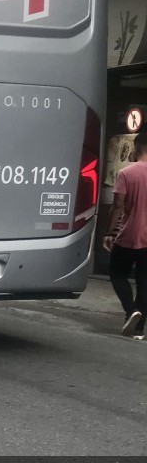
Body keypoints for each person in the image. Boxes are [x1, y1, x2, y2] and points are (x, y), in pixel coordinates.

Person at [103, 130, 147, 340]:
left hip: (129, 235)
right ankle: (138, 330)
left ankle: (131, 312)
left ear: (136, 148)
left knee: (117, 274)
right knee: (145, 282)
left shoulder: (126, 174)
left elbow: (118, 206)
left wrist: (110, 232)